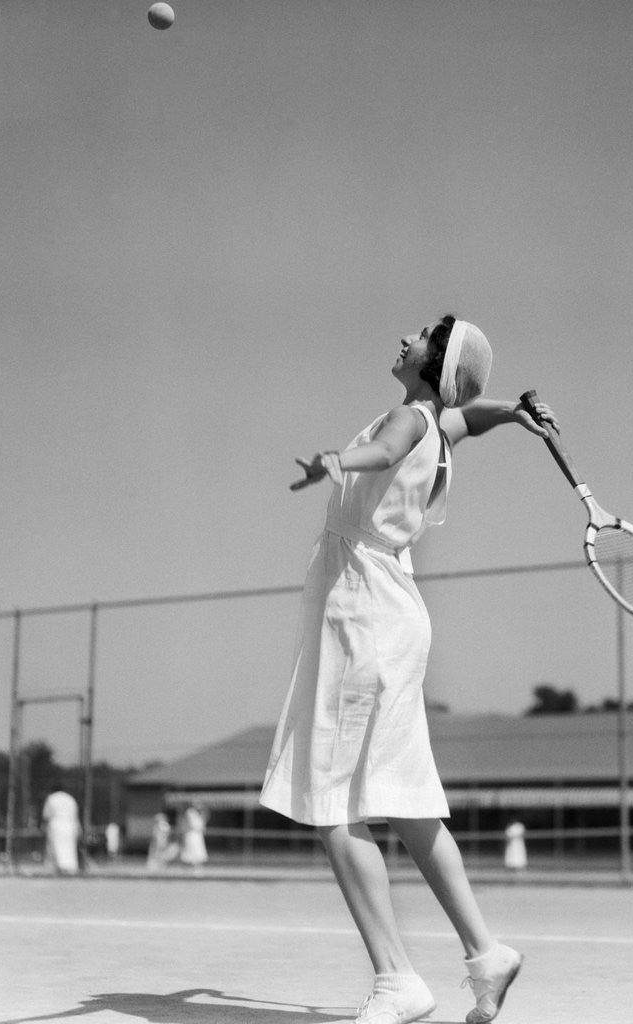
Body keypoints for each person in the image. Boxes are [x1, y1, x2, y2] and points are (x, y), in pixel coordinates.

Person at [260, 315, 559, 1024]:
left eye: (421, 334)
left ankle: (398, 981)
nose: (404, 335)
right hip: (388, 615)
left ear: (435, 363)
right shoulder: (438, 425)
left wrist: (339, 459)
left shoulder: (405, 421)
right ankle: (485, 953)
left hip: (365, 618)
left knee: (332, 803)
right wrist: (513, 412)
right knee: (403, 802)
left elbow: (389, 444)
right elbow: (466, 418)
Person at [41, 785, 81, 876]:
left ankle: (58, 868)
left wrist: (44, 825)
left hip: (56, 824)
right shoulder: (70, 798)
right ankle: (70, 868)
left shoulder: (51, 798)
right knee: (69, 847)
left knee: (55, 847)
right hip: (70, 825)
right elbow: (75, 814)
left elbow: (46, 814)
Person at [179, 803, 208, 873]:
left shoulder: (197, 813)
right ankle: (190, 867)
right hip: (192, 834)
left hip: (196, 834)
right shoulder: (190, 812)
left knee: (197, 850)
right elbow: (190, 824)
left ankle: (196, 867)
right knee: (191, 850)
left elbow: (202, 824)